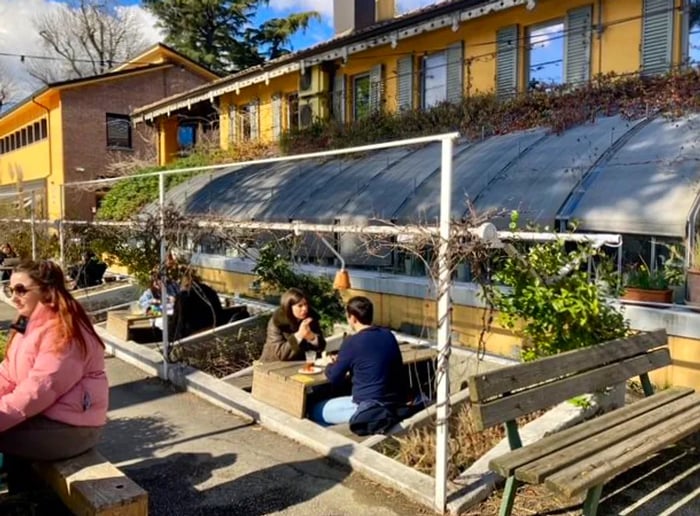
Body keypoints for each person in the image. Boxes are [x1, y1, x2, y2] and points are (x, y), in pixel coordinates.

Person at [0, 260, 108, 490]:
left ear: (48, 291)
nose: (13, 297)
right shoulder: (27, 323)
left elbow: (39, 390)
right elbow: (7, 373)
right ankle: (23, 496)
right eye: (10, 290)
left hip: (73, 428)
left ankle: (24, 500)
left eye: (21, 290)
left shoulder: (64, 331)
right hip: (45, 419)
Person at [310, 296, 417, 435]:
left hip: (367, 407)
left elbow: (335, 378)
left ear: (353, 318)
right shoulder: (388, 335)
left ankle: (333, 441)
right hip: (394, 402)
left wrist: (329, 364)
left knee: (314, 411)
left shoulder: (352, 342)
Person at [259, 288, 326, 362]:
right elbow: (281, 354)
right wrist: (299, 335)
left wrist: (312, 337)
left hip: (301, 364)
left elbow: (321, 347)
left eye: (306, 304)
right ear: (289, 308)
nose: (305, 309)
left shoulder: (311, 318)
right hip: (273, 365)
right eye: (300, 306)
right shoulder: (276, 322)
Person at [168, 272, 224, 340]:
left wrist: (172, 337)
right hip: (214, 330)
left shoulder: (184, 296)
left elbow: (178, 322)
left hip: (194, 335)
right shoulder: (210, 291)